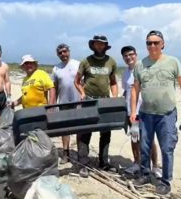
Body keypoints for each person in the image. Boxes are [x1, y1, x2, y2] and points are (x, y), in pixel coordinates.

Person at [130, 30, 181, 195]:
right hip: (145, 114)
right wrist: (133, 111)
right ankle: (144, 174)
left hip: (166, 114)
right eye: (149, 43)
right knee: (144, 147)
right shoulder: (140, 65)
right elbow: (135, 90)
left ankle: (165, 180)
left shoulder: (173, 62)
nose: (152, 45)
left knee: (166, 148)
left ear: (162, 44)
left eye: (156, 42)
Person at [74, 35, 118, 178]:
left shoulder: (111, 62)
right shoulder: (86, 61)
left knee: (106, 133)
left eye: (102, 44)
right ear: (93, 45)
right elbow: (77, 81)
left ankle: (103, 162)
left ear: (105, 46)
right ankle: (84, 164)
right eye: (97, 44)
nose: (99, 46)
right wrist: (81, 93)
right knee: (86, 132)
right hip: (89, 100)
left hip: (105, 100)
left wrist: (115, 98)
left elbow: (113, 82)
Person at [120, 46, 162, 178]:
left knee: (149, 140)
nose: (129, 58)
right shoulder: (125, 73)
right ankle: (137, 163)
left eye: (131, 54)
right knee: (134, 138)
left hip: (145, 111)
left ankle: (154, 166)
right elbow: (126, 91)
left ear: (136, 55)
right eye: (126, 56)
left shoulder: (145, 69)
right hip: (131, 112)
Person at [51, 43, 80, 164]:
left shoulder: (78, 64)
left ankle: (81, 154)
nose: (63, 54)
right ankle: (65, 153)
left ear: (69, 51)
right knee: (65, 129)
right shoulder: (56, 68)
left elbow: (83, 83)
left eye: (64, 51)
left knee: (80, 129)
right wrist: (52, 105)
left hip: (78, 101)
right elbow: (54, 88)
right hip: (63, 103)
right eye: (60, 53)